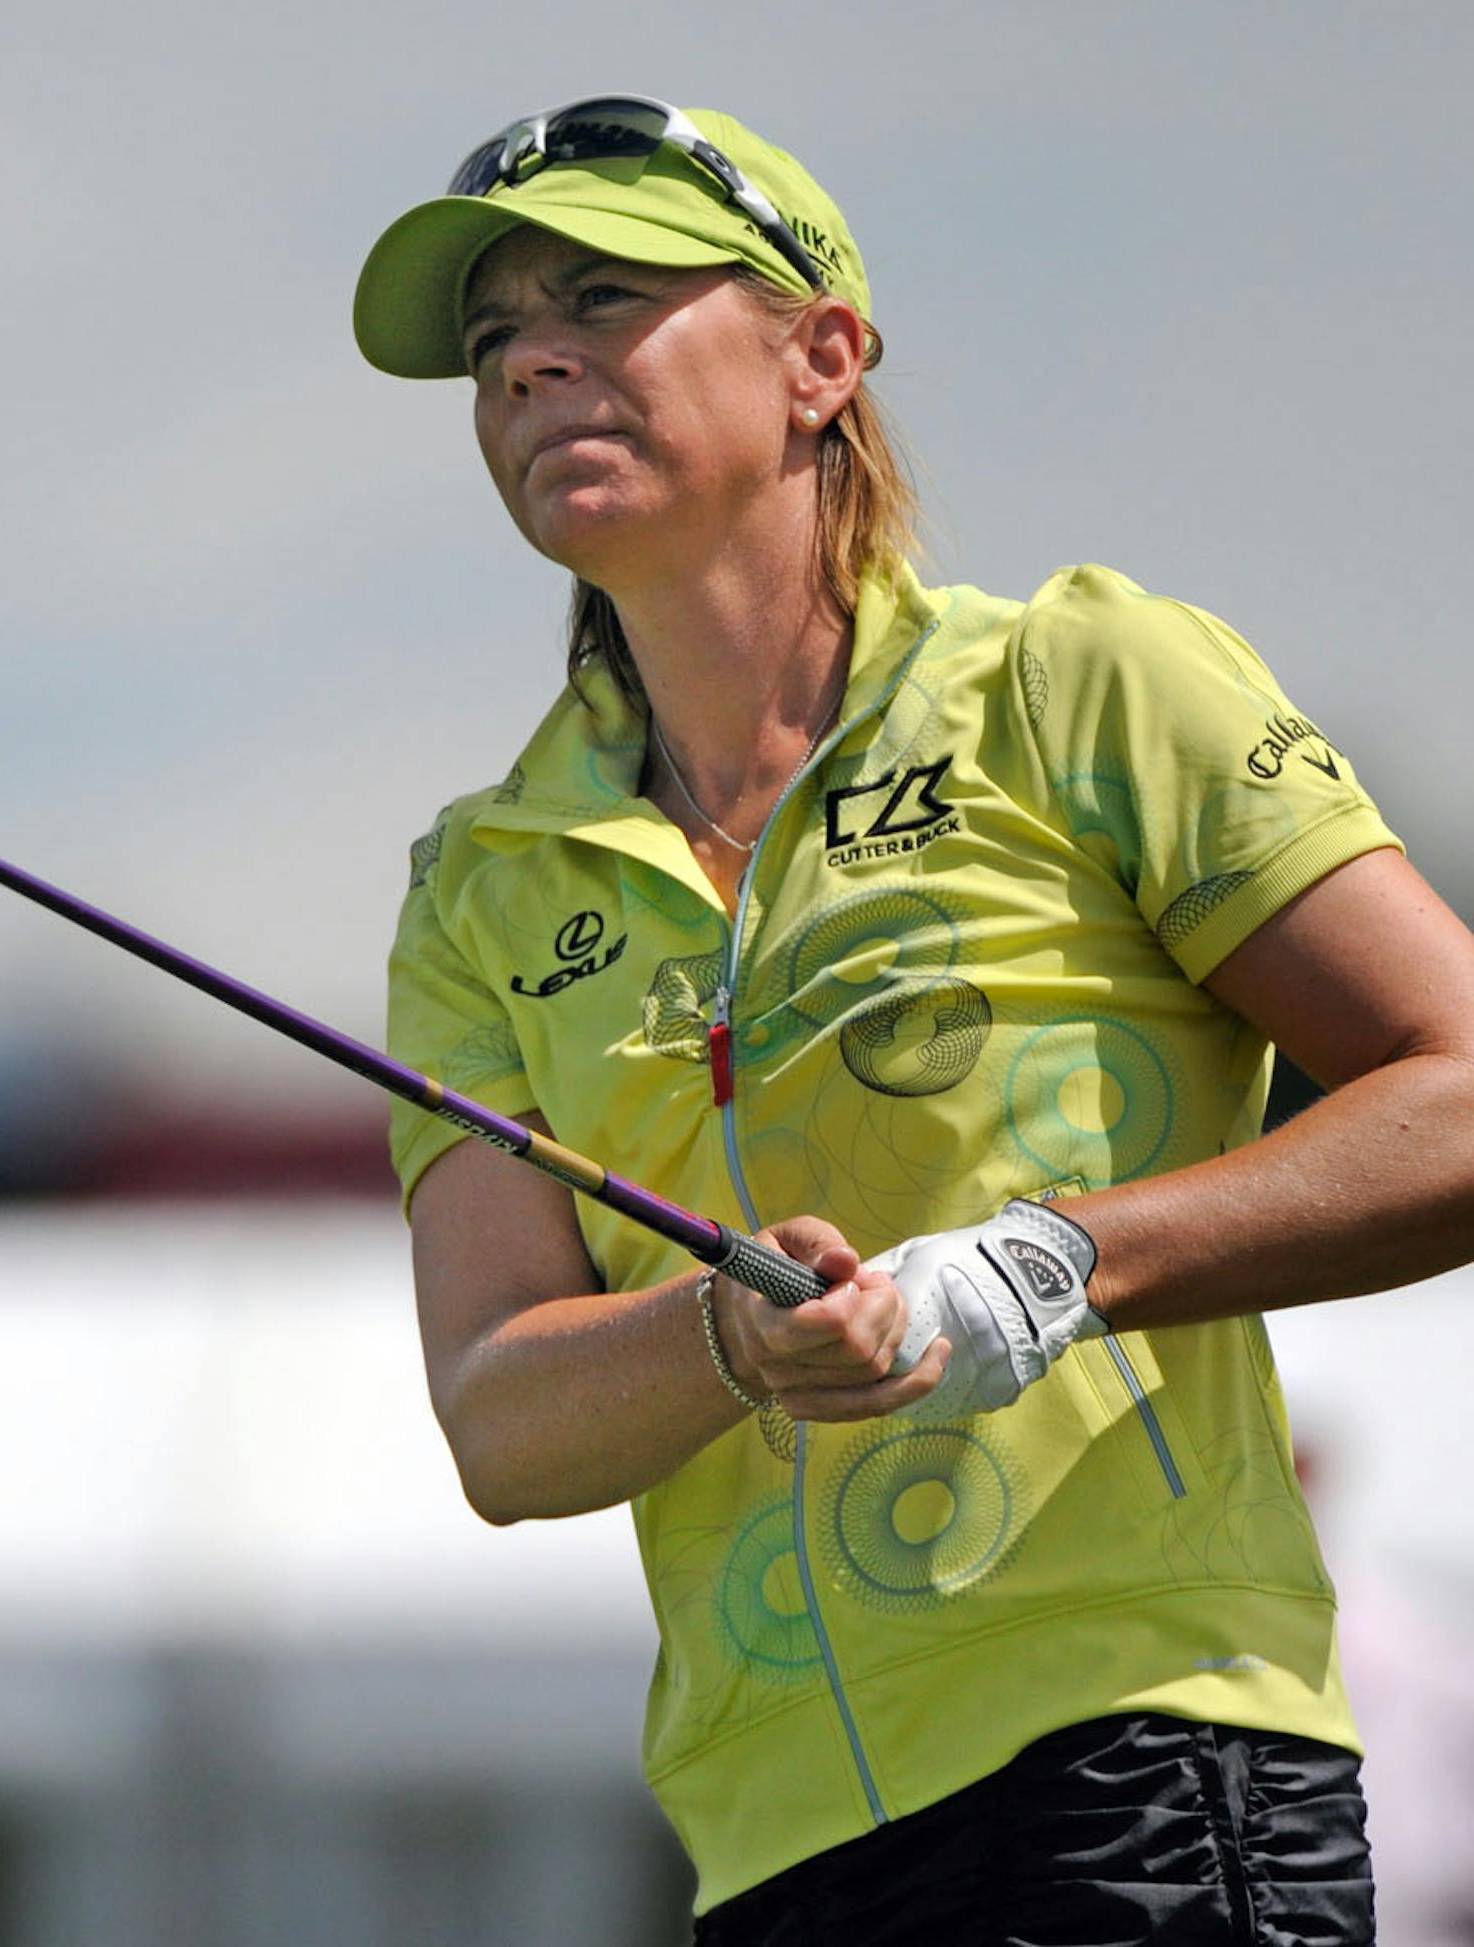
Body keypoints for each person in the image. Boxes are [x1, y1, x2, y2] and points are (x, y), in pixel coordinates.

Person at [352, 96, 1474, 1943]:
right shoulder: (481, 890)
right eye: (493, 345)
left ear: (823, 356)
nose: (532, 360)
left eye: (607, 295)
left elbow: (1454, 1093)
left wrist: (1049, 1267)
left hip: (1141, 1767)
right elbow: (498, 1419)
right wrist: (722, 1333)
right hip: (775, 1850)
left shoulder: (1078, 684)